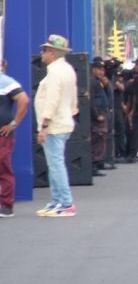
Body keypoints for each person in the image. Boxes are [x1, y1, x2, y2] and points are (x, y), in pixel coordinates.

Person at [34, 35, 79, 217]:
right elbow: (73, 99)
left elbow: (51, 100)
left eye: (44, 50)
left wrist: (44, 125)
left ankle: (66, 202)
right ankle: (57, 201)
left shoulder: (54, 72)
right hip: (64, 122)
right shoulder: (68, 69)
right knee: (54, 164)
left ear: (52, 53)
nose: (42, 53)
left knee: (56, 164)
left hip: (53, 125)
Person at [0, 60, 30, 217]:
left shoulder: (5, 82)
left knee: (3, 167)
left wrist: (14, 124)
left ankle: (6, 205)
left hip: (2, 134)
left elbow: (24, 100)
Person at [89, 58, 112, 175]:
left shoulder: (99, 82)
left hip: (102, 113)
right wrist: (97, 115)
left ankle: (97, 163)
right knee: (98, 139)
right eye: (99, 69)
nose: (101, 72)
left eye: (102, 70)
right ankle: (93, 165)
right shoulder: (92, 82)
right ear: (93, 69)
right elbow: (91, 101)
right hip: (97, 116)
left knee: (101, 139)